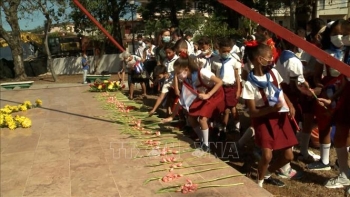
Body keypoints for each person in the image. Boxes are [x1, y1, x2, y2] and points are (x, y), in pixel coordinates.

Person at [242, 43, 298, 188]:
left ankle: (267, 173)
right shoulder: (249, 84)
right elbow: (252, 112)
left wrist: (290, 104)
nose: (271, 59)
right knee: (267, 155)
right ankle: (259, 183)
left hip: (280, 117)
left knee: (288, 156)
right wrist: (271, 110)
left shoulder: (273, 73)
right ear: (259, 59)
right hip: (263, 118)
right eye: (269, 57)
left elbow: (280, 92)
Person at [308, 19, 345, 171]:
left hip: (344, 92)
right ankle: (324, 161)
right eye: (336, 34)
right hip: (328, 90)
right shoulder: (325, 53)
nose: (340, 37)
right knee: (324, 125)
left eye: (343, 34)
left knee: (344, 127)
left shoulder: (348, 53)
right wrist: (319, 85)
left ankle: (341, 162)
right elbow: (317, 74)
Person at [318, 19, 350, 188]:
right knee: (340, 135)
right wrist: (333, 98)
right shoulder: (346, 53)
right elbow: (345, 81)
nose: (343, 38)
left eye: (345, 34)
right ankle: (345, 174)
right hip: (346, 96)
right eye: (341, 34)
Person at [175, 51, 225, 151]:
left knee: (202, 119)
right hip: (202, 95)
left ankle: (206, 145)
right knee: (191, 117)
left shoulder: (202, 72)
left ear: (186, 69)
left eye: (178, 72)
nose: (177, 75)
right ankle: (202, 138)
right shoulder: (187, 78)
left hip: (214, 94)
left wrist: (208, 95)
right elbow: (183, 96)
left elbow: (220, 82)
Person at [297, 18, 326, 162]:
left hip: (323, 85)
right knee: (308, 118)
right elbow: (302, 67)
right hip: (310, 86)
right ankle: (303, 151)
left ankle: (305, 142)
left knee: (321, 118)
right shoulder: (310, 48)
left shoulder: (325, 48)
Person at [211, 37, 241, 133]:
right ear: (219, 49)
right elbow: (213, 75)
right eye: (224, 51)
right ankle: (222, 127)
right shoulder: (215, 60)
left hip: (231, 87)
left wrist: (238, 89)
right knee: (222, 108)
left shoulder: (234, 60)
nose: (226, 53)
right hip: (219, 88)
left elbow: (237, 77)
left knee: (232, 107)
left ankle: (237, 126)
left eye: (228, 51)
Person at [149, 42, 179, 116]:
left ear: (174, 51)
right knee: (162, 96)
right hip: (167, 81)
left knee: (174, 98)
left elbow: (178, 72)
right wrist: (157, 80)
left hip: (176, 82)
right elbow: (163, 71)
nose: (168, 54)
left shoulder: (178, 60)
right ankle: (154, 110)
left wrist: (169, 74)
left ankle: (175, 114)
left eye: (169, 52)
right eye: (166, 53)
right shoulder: (165, 61)